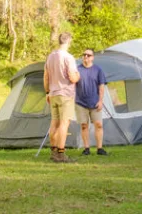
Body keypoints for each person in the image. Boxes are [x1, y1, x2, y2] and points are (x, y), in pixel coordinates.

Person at [44, 32, 80, 163]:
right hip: (65, 94)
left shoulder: (50, 56)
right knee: (64, 124)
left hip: (53, 94)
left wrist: (47, 92)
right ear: (69, 41)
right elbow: (72, 76)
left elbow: (46, 76)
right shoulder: (68, 57)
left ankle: (53, 152)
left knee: (54, 123)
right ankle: (61, 154)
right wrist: (78, 76)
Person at [76, 48, 108, 156]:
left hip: (95, 102)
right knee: (84, 125)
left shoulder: (98, 70)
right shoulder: (77, 70)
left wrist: (100, 101)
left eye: (88, 55)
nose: (85, 57)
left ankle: (100, 148)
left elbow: (102, 87)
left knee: (98, 125)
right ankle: (86, 149)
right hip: (80, 103)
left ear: (92, 58)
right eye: (84, 55)